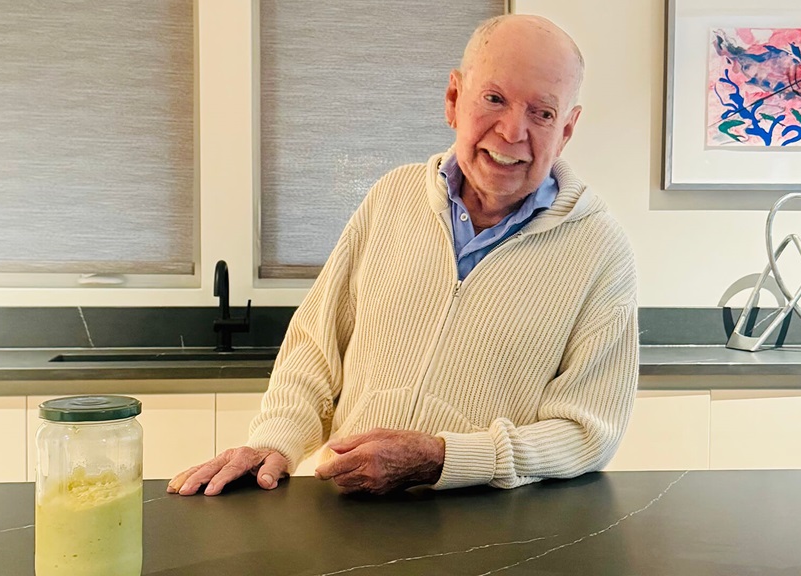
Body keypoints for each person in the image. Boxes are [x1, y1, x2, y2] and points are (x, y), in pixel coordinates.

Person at [169, 13, 639, 496]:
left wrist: (443, 459)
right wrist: (274, 442)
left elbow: (588, 432)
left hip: (489, 532)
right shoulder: (392, 197)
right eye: (494, 99)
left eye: (542, 112)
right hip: (346, 513)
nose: (513, 131)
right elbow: (316, 347)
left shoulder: (600, 250)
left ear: (566, 129)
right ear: (454, 99)